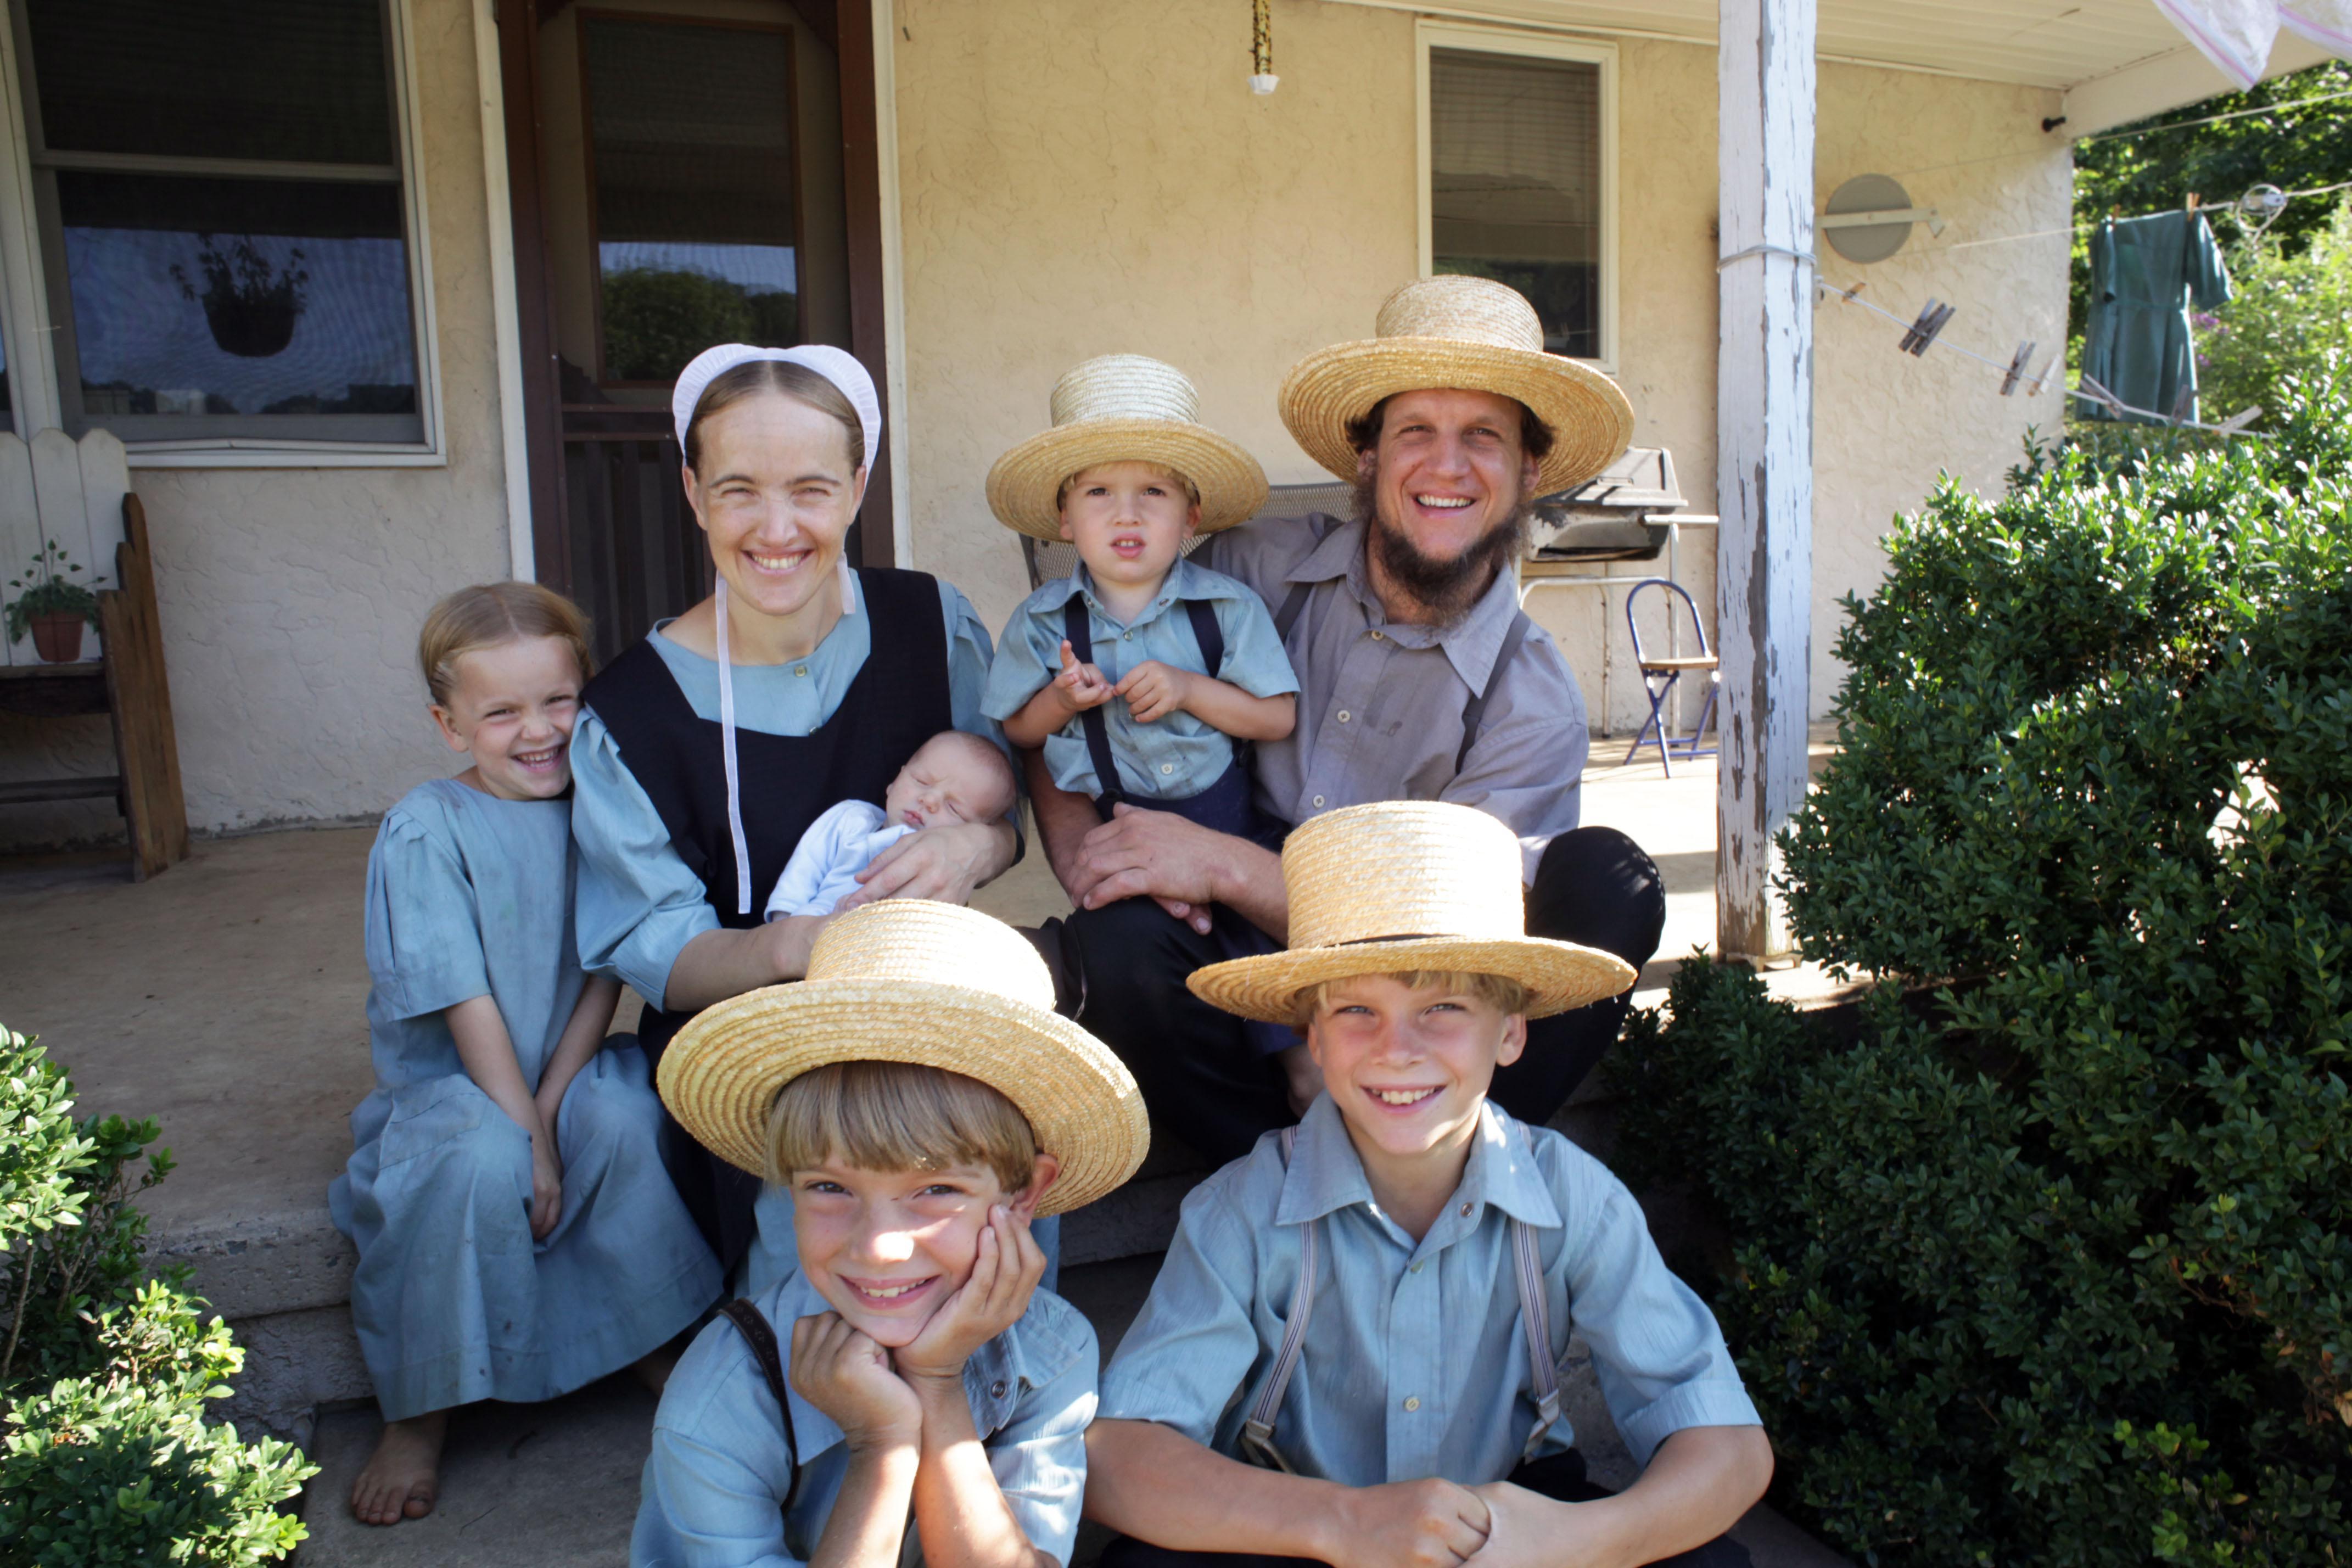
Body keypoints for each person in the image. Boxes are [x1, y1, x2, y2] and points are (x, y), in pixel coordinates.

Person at [1027, 276, 1666, 1164]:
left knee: (1608, 881)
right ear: (1366, 457)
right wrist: (1084, 857)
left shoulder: (1531, 697)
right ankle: (1274, 1177)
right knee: (1118, 941)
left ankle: (1450, 1166)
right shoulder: (1248, 573)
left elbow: (1448, 949)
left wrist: (1222, 863)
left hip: (1411, 1021)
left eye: (1483, 436)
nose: (1447, 466)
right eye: (1416, 432)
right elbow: (1054, 710)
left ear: (1527, 472)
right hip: (1221, 974)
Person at [1085, 801, 1771, 1568]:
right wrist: (1346, 1524)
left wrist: (1584, 1541)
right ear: (1313, 1037)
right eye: (1357, 1010)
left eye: (1443, 1007)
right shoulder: (1240, 1211)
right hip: (1300, 1527)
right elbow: (1118, 1458)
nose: (1398, 1049)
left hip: (1508, 1535)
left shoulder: (1574, 1198)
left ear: (1511, 1032)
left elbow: (1729, 1447)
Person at [571, 344, 1020, 1278]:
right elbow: (660, 956)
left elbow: (1001, 815)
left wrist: (975, 846)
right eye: (738, 490)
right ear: (693, 493)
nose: (776, 530)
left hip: (915, 1009)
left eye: (810, 490)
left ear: (857, 489)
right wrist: (798, 947)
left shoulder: (930, 624)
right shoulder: (629, 714)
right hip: (742, 1036)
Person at [333, 583, 721, 1528]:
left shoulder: (600, 809)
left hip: (562, 1069)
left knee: (623, 1117)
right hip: (457, 1087)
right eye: (501, 712)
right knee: (479, 1157)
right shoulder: (426, 827)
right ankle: (419, 1408)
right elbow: (461, 994)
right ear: (449, 725)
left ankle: (635, 1331)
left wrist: (551, 1110)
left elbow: (602, 972)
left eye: (558, 700)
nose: (538, 731)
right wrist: (526, 1132)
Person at [631, 899, 1150, 1568]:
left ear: (1025, 1193)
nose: (879, 1247)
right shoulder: (721, 1400)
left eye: (935, 1190)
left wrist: (935, 1383)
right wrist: (881, 1448)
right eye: (830, 1187)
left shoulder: (1051, 1353)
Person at [764, 731, 1018, 921]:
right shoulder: (851, 819)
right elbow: (806, 866)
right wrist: (785, 918)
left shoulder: (943, 868)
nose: (929, 800)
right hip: (812, 923)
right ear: (895, 781)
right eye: (921, 781)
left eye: (954, 808)